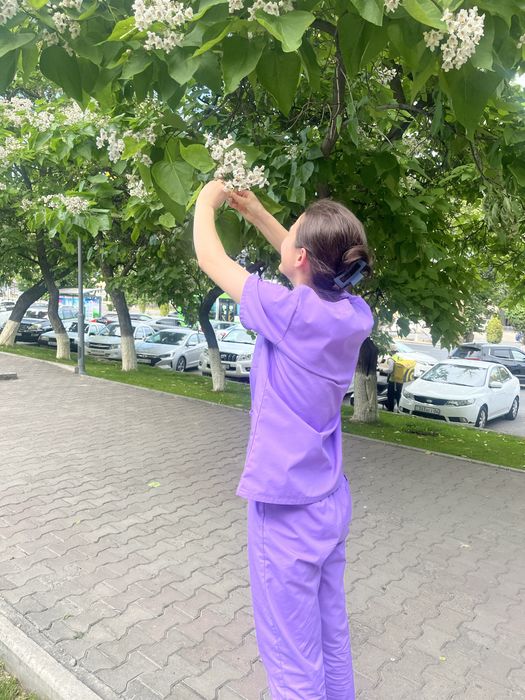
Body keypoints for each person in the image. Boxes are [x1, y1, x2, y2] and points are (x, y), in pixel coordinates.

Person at [193, 181, 374, 700]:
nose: (285, 233)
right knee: (331, 638)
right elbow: (309, 264)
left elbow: (210, 258)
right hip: (329, 502)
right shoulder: (353, 315)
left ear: (301, 259)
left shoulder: (289, 312)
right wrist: (256, 213)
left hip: (287, 512)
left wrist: (206, 201)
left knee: (292, 662)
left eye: (291, 230)